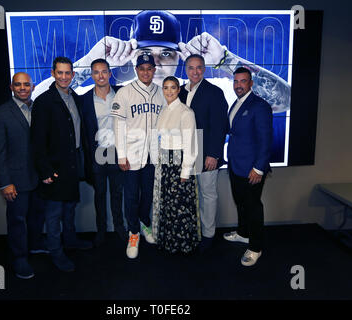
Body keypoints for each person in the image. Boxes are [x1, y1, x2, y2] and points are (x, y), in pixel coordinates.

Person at [33, 10, 290, 115]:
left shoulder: (205, 91)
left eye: (165, 54)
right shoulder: (112, 93)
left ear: (180, 55)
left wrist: (226, 60)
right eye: (146, 54)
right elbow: (37, 103)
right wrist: (90, 62)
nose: (154, 63)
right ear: (132, 55)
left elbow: (284, 100)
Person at [31, 57, 92, 272]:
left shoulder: (74, 96)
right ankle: (56, 253)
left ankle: (71, 241)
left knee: (69, 207)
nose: (64, 77)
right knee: (54, 213)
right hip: (54, 167)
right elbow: (37, 141)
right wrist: (45, 170)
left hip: (72, 163)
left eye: (68, 73)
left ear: (73, 74)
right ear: (53, 73)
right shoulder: (44, 101)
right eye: (60, 73)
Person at [0, 72, 47, 279]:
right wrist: (4, 183)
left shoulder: (38, 109)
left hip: (39, 177)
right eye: (18, 85)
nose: (23, 88)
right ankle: (20, 259)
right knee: (17, 221)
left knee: (37, 215)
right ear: (12, 87)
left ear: (32, 86)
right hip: (16, 180)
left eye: (26, 85)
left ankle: (35, 245)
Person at [110, 54, 164, 259]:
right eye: (142, 68)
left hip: (153, 156)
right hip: (131, 156)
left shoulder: (161, 93)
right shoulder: (124, 93)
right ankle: (133, 232)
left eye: (149, 68)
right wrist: (121, 155)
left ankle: (144, 223)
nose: (146, 72)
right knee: (131, 197)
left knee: (149, 195)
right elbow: (118, 126)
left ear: (154, 70)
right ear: (136, 69)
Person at [223, 67, 273, 266]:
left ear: (251, 83)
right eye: (236, 81)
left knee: (253, 206)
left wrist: (259, 168)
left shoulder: (259, 106)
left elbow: (266, 140)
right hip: (236, 165)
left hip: (252, 169)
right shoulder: (236, 103)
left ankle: (255, 247)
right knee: (240, 202)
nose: (238, 85)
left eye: (243, 81)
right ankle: (244, 233)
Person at [179, 54, 228, 253]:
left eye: (199, 67)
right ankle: (194, 231)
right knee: (190, 195)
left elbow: (220, 125)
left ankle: (208, 234)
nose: (195, 71)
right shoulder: (180, 92)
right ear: (185, 69)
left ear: (204, 69)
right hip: (185, 154)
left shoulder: (214, 92)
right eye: (191, 68)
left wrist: (213, 154)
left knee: (208, 194)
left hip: (206, 152)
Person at [81, 58, 127, 246]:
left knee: (117, 193)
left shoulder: (121, 93)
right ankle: (101, 230)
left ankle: (119, 227)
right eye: (96, 72)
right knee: (99, 194)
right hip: (97, 153)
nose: (100, 75)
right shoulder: (84, 99)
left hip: (117, 152)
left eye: (104, 71)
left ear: (109, 73)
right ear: (92, 75)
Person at [151, 76, 200, 254]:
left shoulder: (186, 112)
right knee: (168, 205)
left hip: (179, 164)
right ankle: (169, 242)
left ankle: (183, 244)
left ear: (179, 90)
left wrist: (185, 172)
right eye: (165, 88)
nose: (169, 91)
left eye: (173, 88)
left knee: (180, 206)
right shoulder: (164, 111)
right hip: (165, 162)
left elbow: (191, 145)